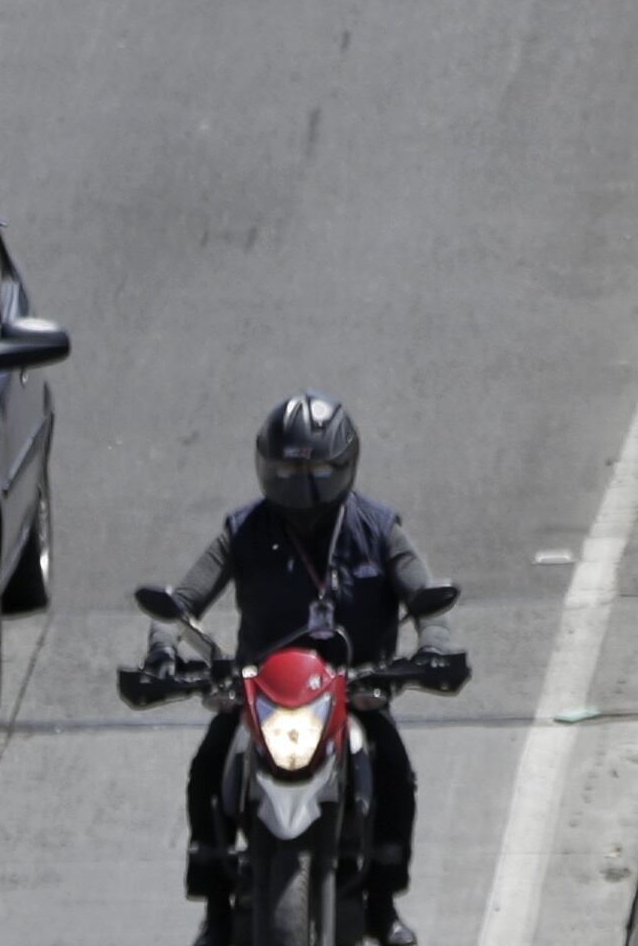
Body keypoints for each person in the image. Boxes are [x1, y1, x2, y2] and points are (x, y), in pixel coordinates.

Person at [173, 393, 433, 946]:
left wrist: (437, 642)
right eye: (287, 470)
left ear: (344, 465)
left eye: (313, 471)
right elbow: (184, 599)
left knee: (397, 776)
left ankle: (382, 904)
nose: (299, 486)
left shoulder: (380, 528)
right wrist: (162, 645)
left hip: (355, 689)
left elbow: (426, 596)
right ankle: (217, 911)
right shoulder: (243, 530)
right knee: (205, 771)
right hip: (263, 692)